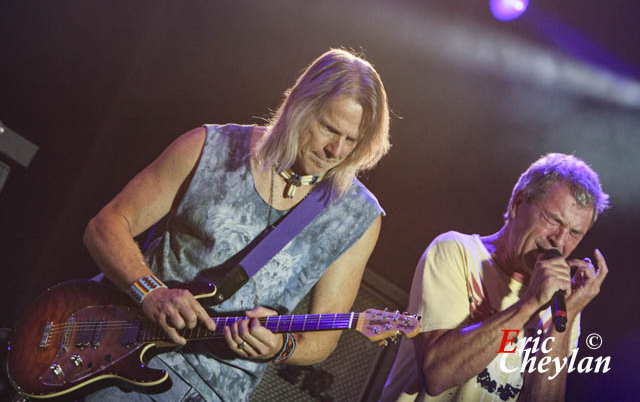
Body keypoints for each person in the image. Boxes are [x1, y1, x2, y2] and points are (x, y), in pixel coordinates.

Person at [82, 48, 391, 401]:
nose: (336, 150)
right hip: (115, 352)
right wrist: (151, 291)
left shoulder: (357, 216)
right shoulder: (209, 147)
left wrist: (280, 347)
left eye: (352, 140)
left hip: (214, 391)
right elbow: (105, 226)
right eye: (328, 128)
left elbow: (323, 339)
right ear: (299, 107)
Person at [380, 153, 609, 402]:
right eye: (552, 220)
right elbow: (436, 376)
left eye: (575, 233)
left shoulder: (562, 302)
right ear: (517, 204)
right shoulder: (457, 251)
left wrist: (566, 317)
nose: (560, 241)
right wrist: (530, 303)